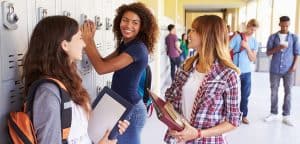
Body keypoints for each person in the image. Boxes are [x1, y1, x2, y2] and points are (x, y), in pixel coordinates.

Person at [22, 16, 129, 144]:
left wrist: (109, 129)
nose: (84, 44)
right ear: (65, 45)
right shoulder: (48, 92)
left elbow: (80, 132)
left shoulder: (68, 80)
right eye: (80, 38)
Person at [81, 2, 159, 144]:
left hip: (132, 110)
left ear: (142, 27)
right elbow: (103, 61)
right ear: (119, 21)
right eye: (125, 20)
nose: (128, 26)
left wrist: (87, 41)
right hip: (120, 106)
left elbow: (101, 68)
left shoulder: (137, 48)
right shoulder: (126, 44)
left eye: (135, 22)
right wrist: (90, 41)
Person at [164, 15, 241, 144]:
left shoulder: (228, 75)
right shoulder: (186, 66)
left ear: (207, 36)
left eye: (194, 30)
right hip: (178, 139)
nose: (189, 34)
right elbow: (170, 98)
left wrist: (198, 133)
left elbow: (233, 121)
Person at [264, 16, 300, 126]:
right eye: (283, 25)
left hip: (288, 69)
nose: (285, 27)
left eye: (287, 25)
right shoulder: (273, 37)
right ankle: (273, 113)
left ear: (289, 24)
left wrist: (295, 66)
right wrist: (278, 48)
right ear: (279, 24)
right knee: (274, 92)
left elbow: (297, 53)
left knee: (288, 92)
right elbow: (268, 53)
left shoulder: (294, 38)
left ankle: (286, 115)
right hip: (275, 69)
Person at [229, 19, 259, 124]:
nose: (252, 31)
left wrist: (247, 47)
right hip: (235, 71)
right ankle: (231, 115)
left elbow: (253, 59)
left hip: (247, 72)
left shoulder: (254, 42)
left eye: (254, 30)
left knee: (245, 95)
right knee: (232, 95)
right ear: (247, 26)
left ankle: (244, 115)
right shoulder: (238, 37)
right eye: (251, 29)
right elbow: (226, 49)